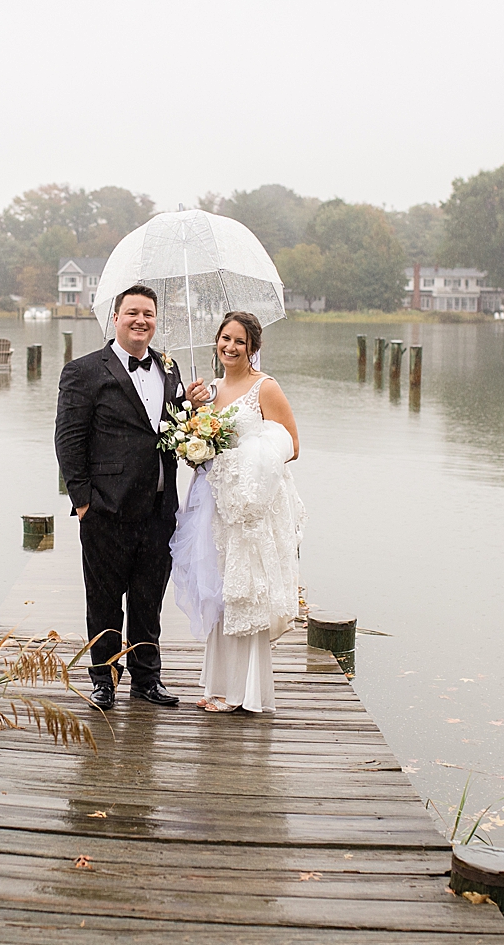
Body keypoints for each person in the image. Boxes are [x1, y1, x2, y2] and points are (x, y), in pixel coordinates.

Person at [54, 284, 207, 711]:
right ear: (116, 318)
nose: (142, 321)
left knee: (148, 600)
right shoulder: (84, 371)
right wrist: (83, 501)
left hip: (159, 509)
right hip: (106, 509)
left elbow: (169, 428)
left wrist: (189, 407)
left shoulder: (169, 368)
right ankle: (103, 680)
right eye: (133, 313)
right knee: (103, 601)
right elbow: (68, 440)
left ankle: (146, 679)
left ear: (156, 321)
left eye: (149, 314)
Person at [169, 311, 304, 713]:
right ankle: (218, 687)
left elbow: (291, 445)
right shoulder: (207, 391)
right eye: (225, 339)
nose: (230, 347)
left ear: (253, 348)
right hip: (211, 505)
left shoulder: (266, 388)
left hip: (248, 506)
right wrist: (193, 422)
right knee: (217, 590)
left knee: (244, 592)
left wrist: (242, 460)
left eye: (240, 342)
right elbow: (197, 456)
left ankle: (245, 692)